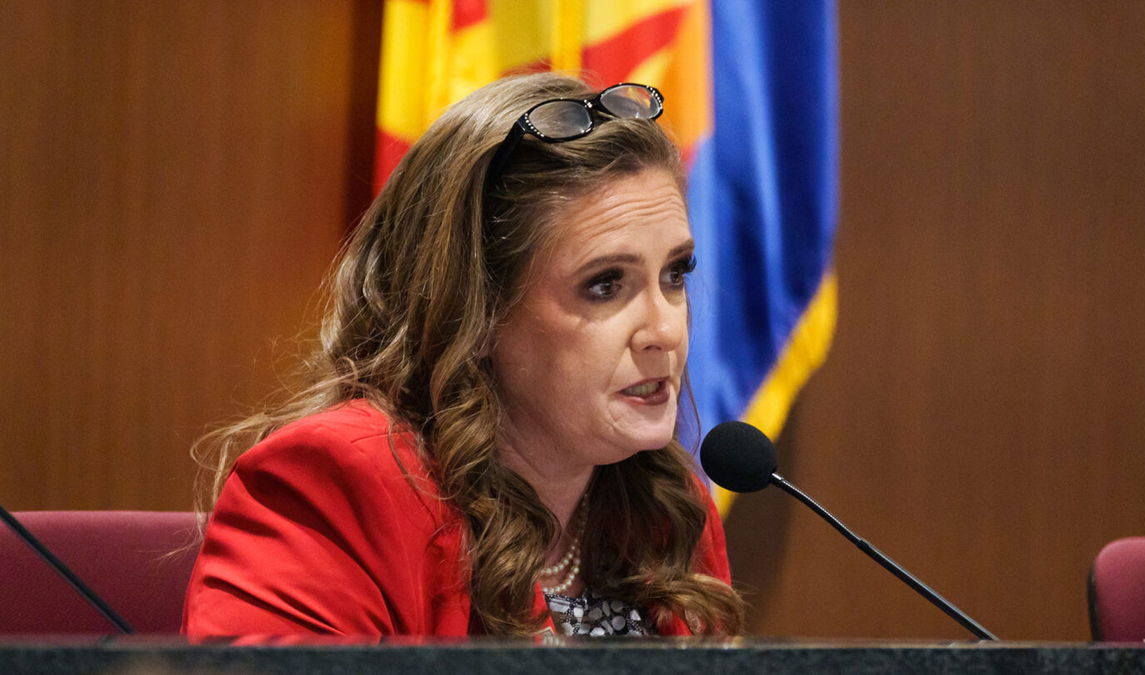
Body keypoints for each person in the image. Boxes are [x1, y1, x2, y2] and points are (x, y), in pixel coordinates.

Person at [183, 72, 745, 639]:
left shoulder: (664, 510)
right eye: (604, 285)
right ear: (476, 312)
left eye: (675, 274)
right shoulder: (338, 486)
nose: (666, 330)